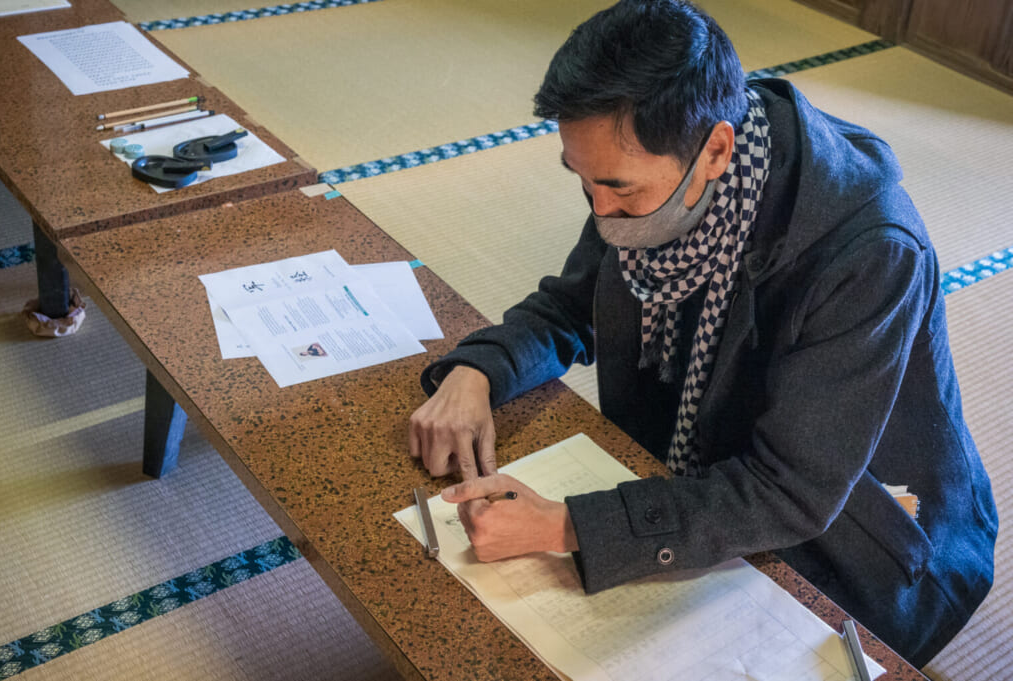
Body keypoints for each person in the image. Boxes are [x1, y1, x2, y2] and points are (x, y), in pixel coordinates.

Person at [407, 0, 997, 667]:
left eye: (618, 189)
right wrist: (477, 373)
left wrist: (566, 524)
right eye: (582, 181)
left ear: (716, 150)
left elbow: (790, 490)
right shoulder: (652, 168)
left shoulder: (869, 251)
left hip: (868, 532)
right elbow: (572, 307)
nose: (601, 211)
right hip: (710, 457)